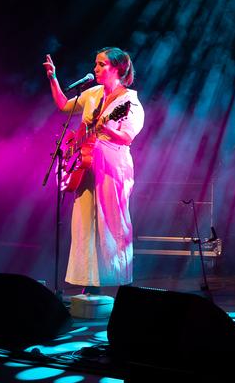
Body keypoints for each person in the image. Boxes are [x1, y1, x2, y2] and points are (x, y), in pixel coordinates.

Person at [44, 47, 144, 292]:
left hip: (112, 167)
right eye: (96, 64)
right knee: (84, 222)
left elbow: (126, 138)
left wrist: (105, 128)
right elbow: (64, 106)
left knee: (112, 222)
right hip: (86, 164)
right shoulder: (93, 93)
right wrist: (53, 78)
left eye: (102, 65)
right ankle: (89, 284)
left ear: (118, 68)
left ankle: (120, 282)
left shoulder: (129, 102)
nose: (96, 69)